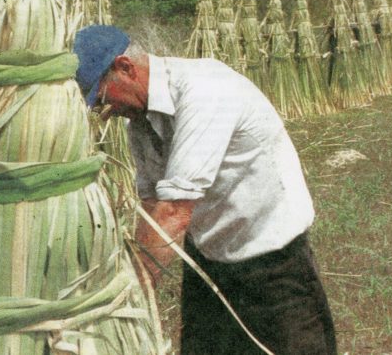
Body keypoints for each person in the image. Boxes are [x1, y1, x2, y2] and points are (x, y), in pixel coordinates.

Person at [74, 24, 337, 355]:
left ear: (125, 68)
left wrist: (130, 297)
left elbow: (174, 211)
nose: (104, 111)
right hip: (210, 259)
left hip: (273, 261)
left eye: (100, 96)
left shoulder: (205, 91)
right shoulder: (138, 122)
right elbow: (153, 204)